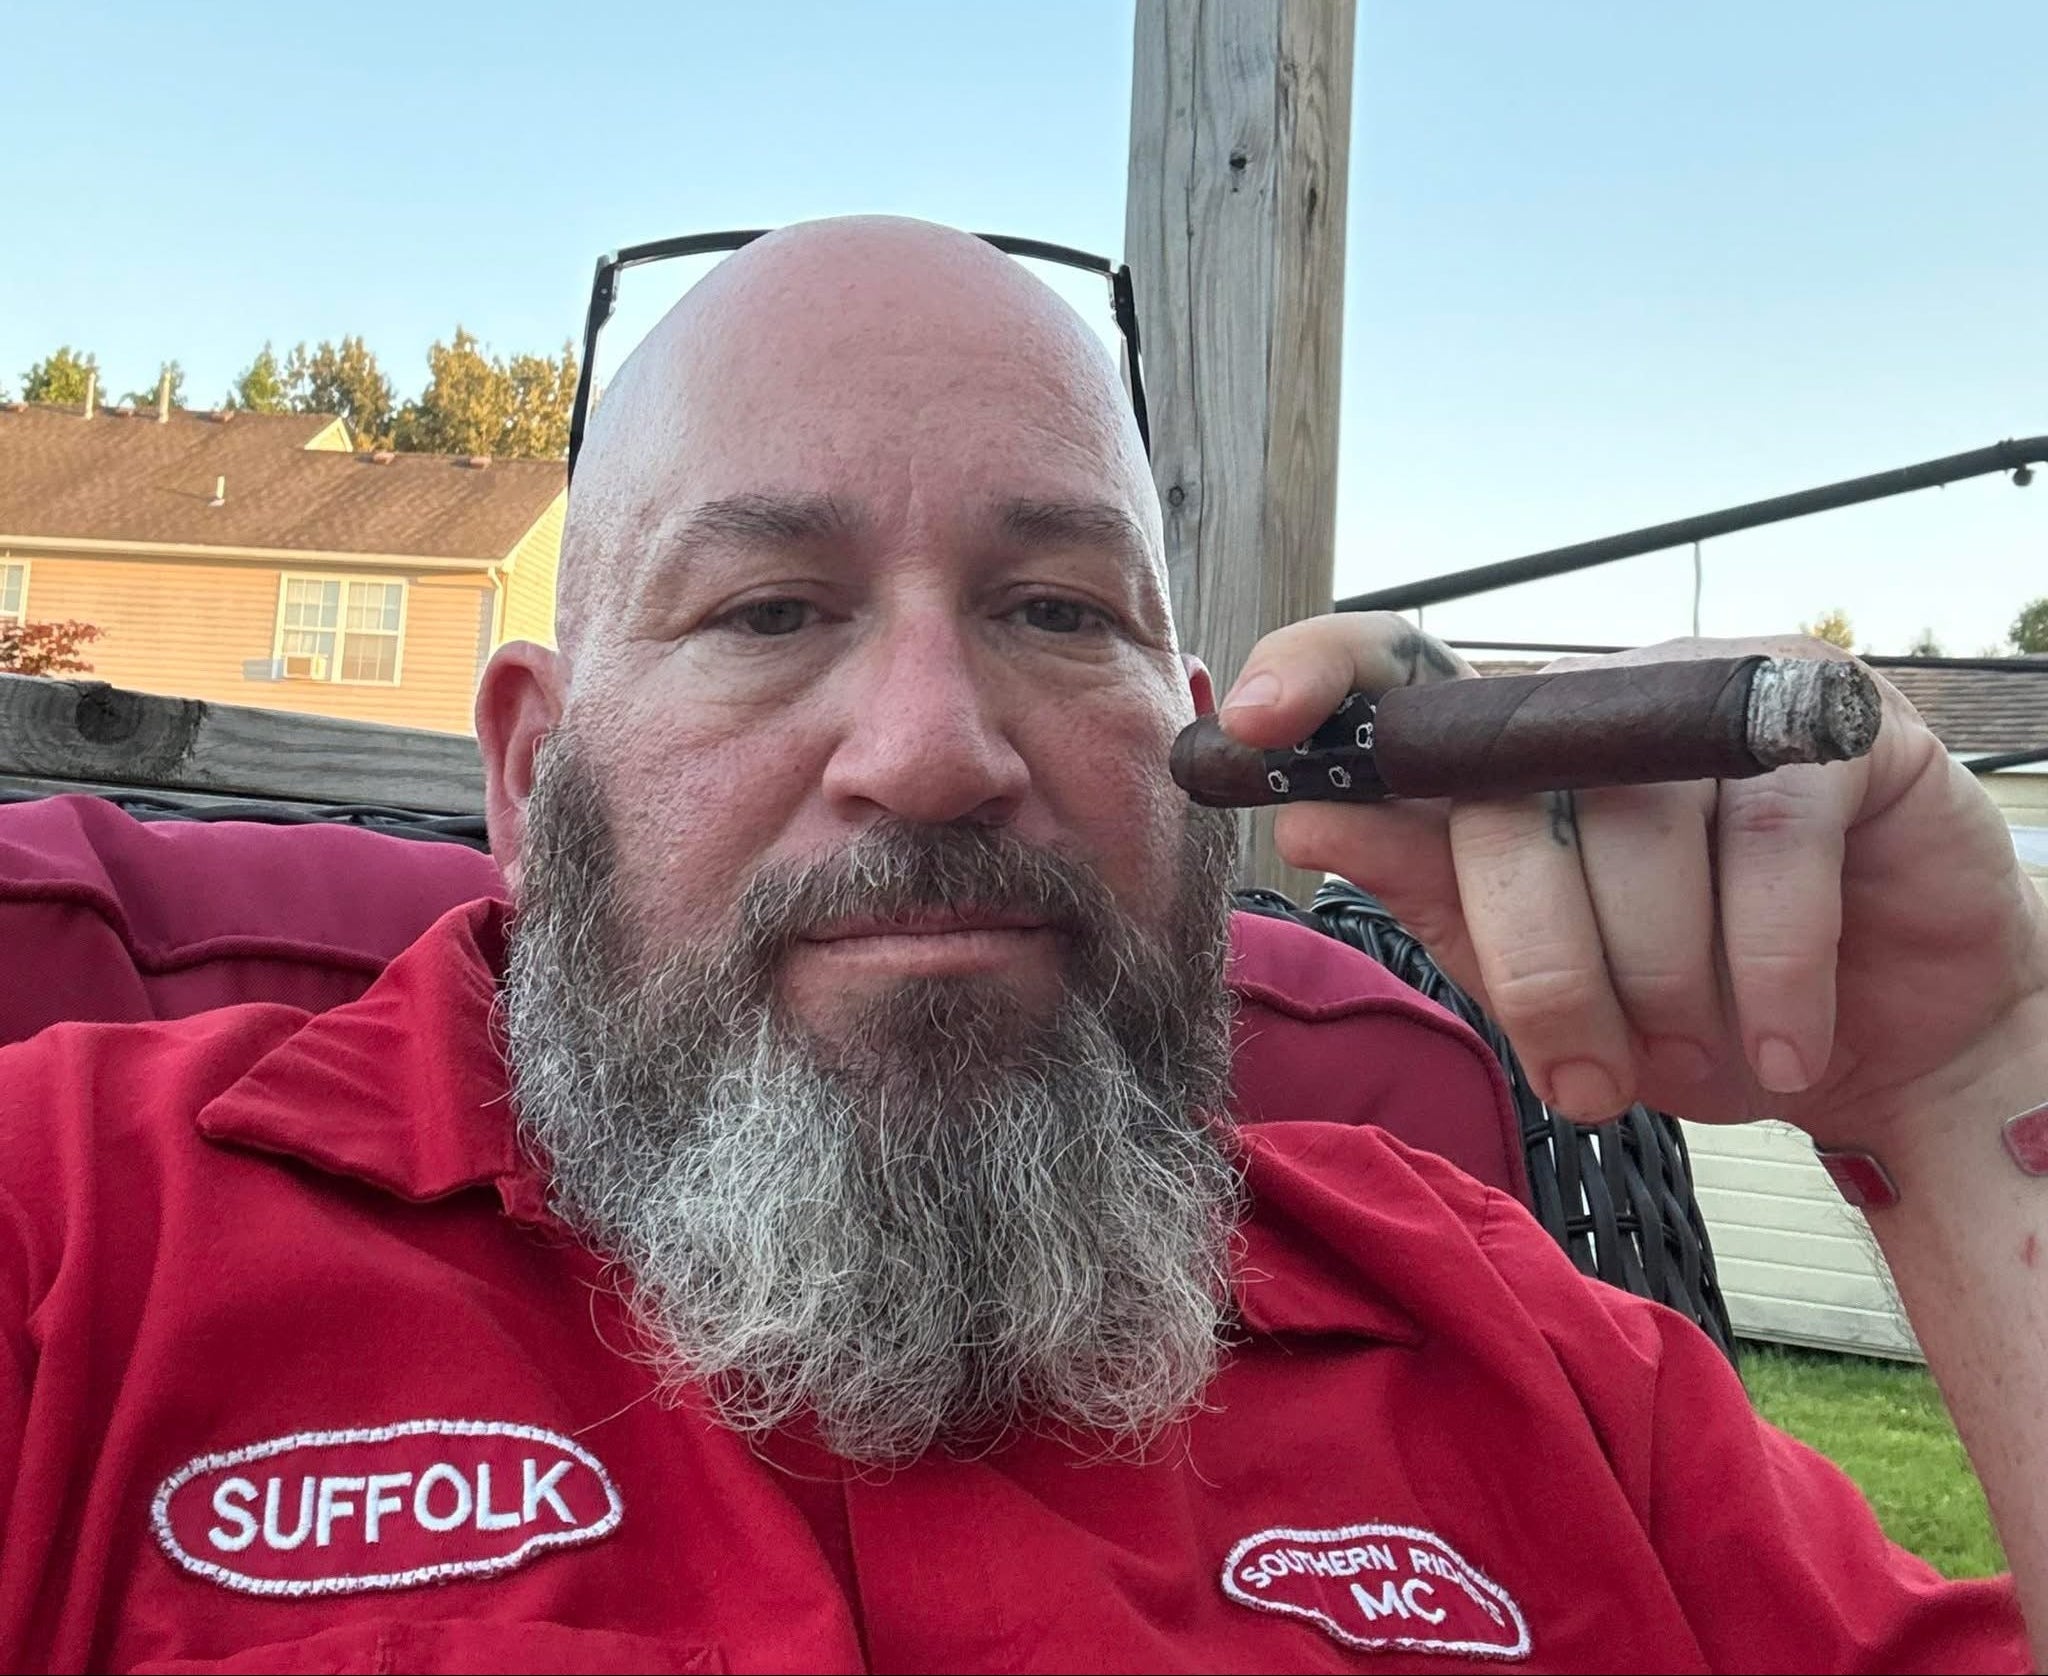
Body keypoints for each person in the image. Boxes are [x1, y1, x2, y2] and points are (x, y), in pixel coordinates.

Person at [0, 216, 2043, 1674]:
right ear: (536, 778)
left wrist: (1971, 1078)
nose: (932, 751)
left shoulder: (1530, 1357)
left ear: (1204, 743)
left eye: (1058, 610)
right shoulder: (72, 1240)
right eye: (769, 611)